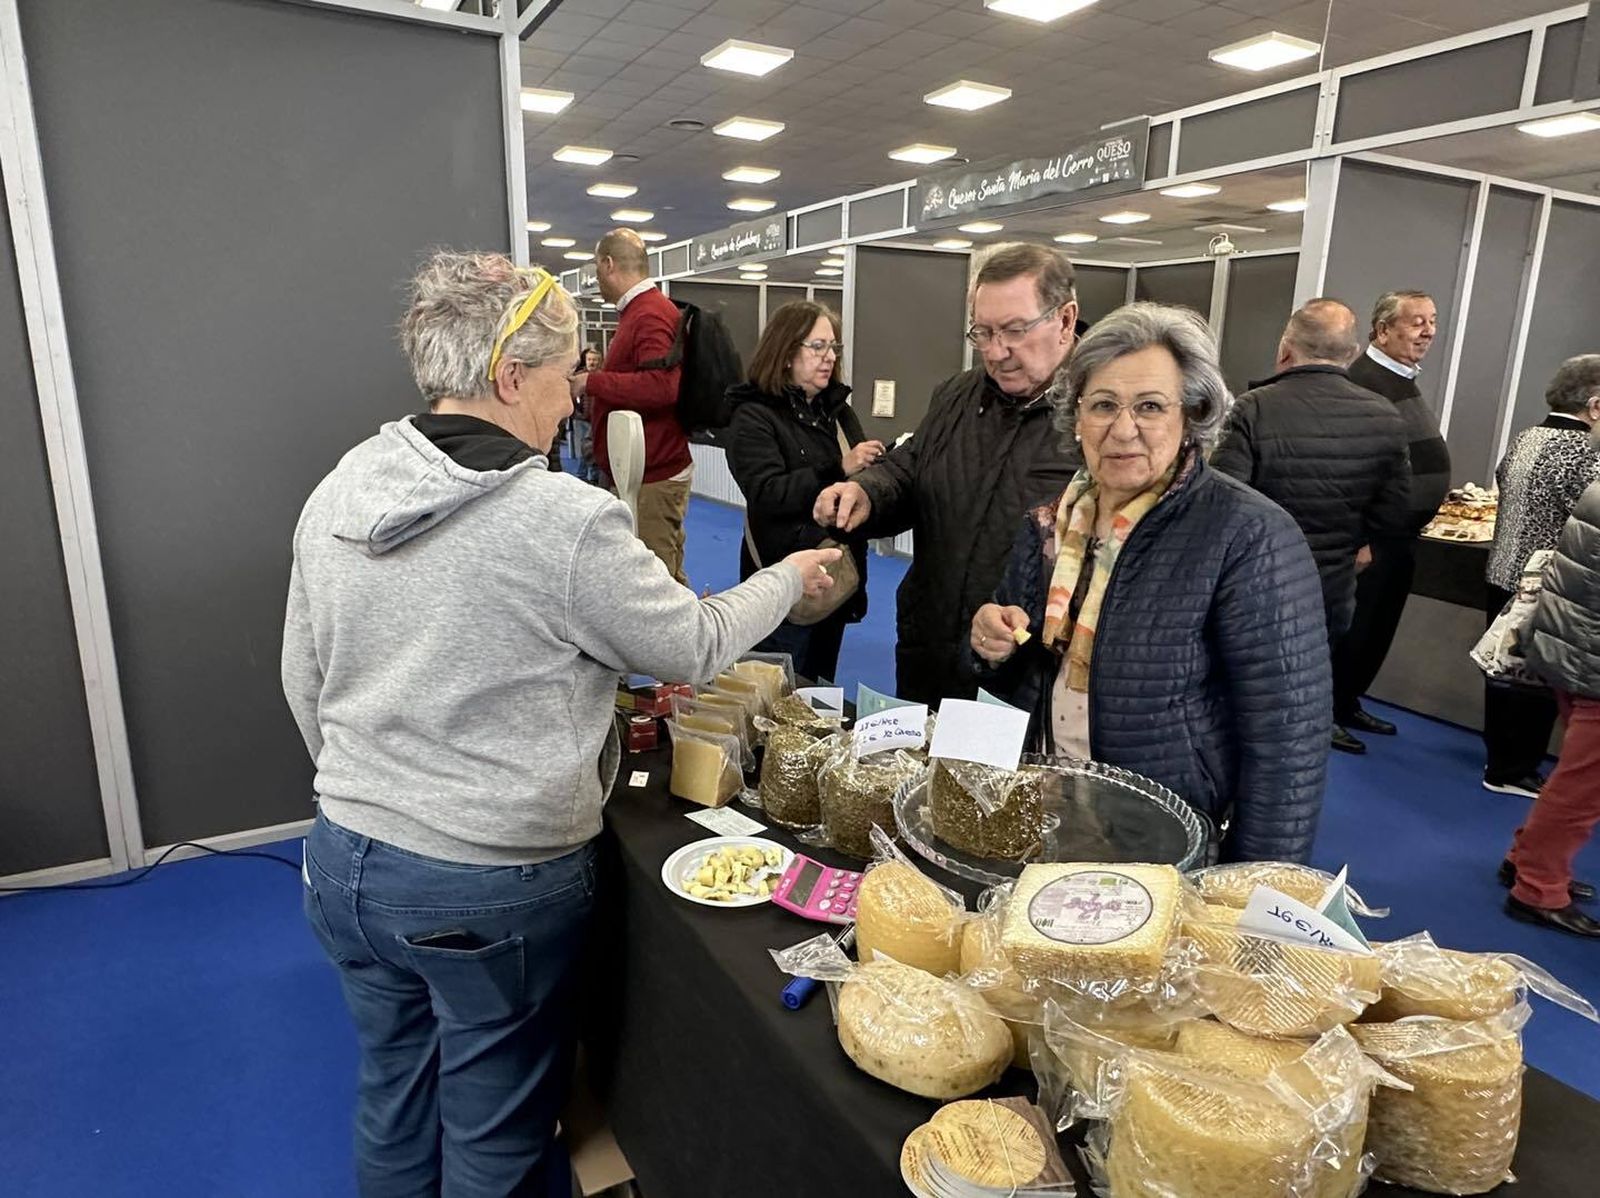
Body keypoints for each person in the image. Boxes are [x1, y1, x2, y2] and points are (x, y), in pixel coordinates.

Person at [282, 251, 839, 1197]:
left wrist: (378, 793)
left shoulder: (345, 483)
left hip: (344, 861)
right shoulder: (559, 519)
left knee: (394, 1093)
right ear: (509, 375)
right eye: (567, 369)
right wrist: (788, 578)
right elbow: (694, 645)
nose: (578, 392)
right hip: (488, 885)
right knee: (497, 1134)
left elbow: (305, 678)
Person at [972, 303, 1330, 863]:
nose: (1123, 429)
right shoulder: (1051, 524)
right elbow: (1017, 659)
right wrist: (988, 641)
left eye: (1150, 407)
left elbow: (1288, 742)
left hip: (1164, 833)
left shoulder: (1249, 536)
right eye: (1104, 405)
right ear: (1077, 416)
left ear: (1191, 415)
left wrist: (1252, 884)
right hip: (1046, 804)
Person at [812, 242, 1078, 705]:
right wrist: (867, 493)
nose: (996, 352)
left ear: (1066, 320)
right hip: (929, 647)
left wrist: (1028, 622)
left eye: (1015, 330)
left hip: (1029, 672)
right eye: (983, 332)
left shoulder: (1102, 417)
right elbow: (912, 467)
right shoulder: (956, 395)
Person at [1211, 298, 1411, 756]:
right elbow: (1394, 511)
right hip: (1332, 582)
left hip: (1255, 580)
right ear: (1352, 352)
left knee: (1240, 693)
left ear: (1286, 348)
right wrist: (1361, 546)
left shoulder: (1253, 409)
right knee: (1307, 684)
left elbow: (1223, 499)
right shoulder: (1385, 415)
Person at [725, 301, 883, 682]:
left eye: (833, 348)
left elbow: (858, 481)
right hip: (783, 580)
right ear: (785, 351)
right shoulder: (753, 415)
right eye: (818, 347)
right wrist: (837, 470)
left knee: (820, 690)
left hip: (837, 573)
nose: (829, 357)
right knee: (773, 693)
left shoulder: (837, 412)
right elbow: (766, 492)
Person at [1333, 289, 1450, 747]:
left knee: (1378, 627)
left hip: (1399, 535)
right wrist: (1363, 538)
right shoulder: (1365, 381)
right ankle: (1328, 711)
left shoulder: (1401, 379)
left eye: (1432, 320)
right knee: (1355, 628)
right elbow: (1357, 469)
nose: (1429, 331)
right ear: (1383, 331)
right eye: (1417, 321)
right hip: (1372, 539)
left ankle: (1348, 702)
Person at [1482, 355, 1600, 797]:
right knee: (1536, 684)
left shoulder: (1527, 437)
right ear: (1594, 405)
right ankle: (1515, 769)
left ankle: (1500, 760)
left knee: (1501, 675)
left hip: (1501, 569)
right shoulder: (1583, 453)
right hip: (1547, 584)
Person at [1502, 473, 1600, 938]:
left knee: (1575, 780)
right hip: (1590, 654)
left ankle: (1525, 859)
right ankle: (1537, 889)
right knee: (1583, 789)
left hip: (1573, 644)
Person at [572, 229, 692, 583]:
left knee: (656, 582)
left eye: (596, 272)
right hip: (643, 472)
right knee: (657, 574)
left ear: (608, 264)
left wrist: (591, 381)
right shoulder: (642, 312)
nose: (597, 281)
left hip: (652, 474)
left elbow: (662, 387)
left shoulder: (649, 314)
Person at [567, 345, 603, 484]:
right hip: (580, 420)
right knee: (582, 451)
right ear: (585, 360)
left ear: (599, 361)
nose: (591, 362)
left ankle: (593, 479)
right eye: (589, 359)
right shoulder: (577, 378)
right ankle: (581, 479)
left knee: (594, 451)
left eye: (594, 360)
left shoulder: (604, 377)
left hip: (597, 420)